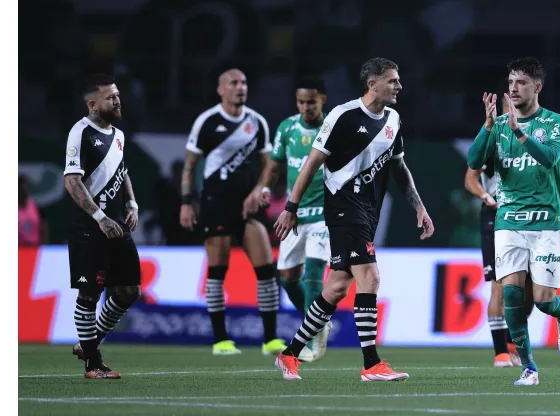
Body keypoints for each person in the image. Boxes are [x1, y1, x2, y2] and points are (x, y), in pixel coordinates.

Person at [273, 57, 434, 381]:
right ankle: (371, 364)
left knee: (336, 287)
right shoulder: (343, 116)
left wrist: (418, 205)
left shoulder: (393, 119)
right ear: (372, 84)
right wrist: (291, 207)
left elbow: (398, 167)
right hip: (344, 207)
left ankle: (289, 355)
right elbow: (311, 163)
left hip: (368, 211)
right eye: (393, 80)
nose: (399, 86)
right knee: (370, 278)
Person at [468, 57, 560, 386]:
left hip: (546, 223)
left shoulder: (557, 123)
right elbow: (474, 161)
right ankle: (529, 367)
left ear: (537, 87)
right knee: (511, 295)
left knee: (543, 301)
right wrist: (488, 126)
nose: (513, 88)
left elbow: (550, 159)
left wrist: (519, 131)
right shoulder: (499, 125)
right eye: (511, 82)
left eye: (522, 82)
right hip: (508, 221)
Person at [179, 68, 285, 356]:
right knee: (217, 272)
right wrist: (187, 202)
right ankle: (221, 339)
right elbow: (189, 167)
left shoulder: (257, 122)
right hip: (216, 204)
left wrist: (260, 191)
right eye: (234, 83)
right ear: (220, 89)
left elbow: (270, 167)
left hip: (248, 207)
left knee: (265, 270)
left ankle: (271, 338)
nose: (240, 88)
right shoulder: (207, 122)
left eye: (244, 83)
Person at [464, 161, 560, 368]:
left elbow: (541, 177)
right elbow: (471, 177)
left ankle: (513, 342)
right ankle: (501, 354)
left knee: (532, 290)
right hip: (497, 212)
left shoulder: (530, 141)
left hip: (532, 211)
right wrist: (485, 196)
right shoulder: (492, 138)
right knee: (500, 283)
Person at [64, 74, 142, 379]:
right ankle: (93, 363)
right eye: (111, 97)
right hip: (89, 227)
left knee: (129, 291)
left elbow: (123, 171)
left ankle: (88, 343)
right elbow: (72, 181)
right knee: (89, 295)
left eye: (118, 95)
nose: (118, 101)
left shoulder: (119, 135)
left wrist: (132, 203)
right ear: (92, 104)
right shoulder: (80, 132)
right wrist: (100, 218)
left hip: (117, 225)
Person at [255, 76, 332, 362]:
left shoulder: (332, 127)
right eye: (301, 102)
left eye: (311, 101)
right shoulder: (287, 128)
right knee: (288, 278)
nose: (305, 107)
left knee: (313, 274)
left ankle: (312, 339)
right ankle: (319, 320)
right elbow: (274, 165)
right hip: (294, 216)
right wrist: (264, 188)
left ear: (322, 99)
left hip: (324, 214)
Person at [18, 175, 46, 245]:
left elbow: (44, 226)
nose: (24, 191)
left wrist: (44, 245)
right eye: (22, 188)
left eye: (26, 187)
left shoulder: (35, 206)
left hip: (34, 247)